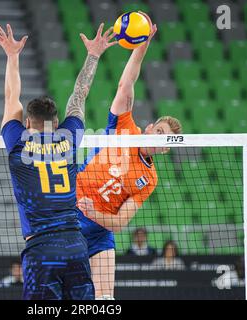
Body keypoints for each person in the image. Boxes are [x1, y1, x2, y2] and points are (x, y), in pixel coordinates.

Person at [0, 23, 116, 300]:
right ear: (57, 122)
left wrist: (12, 56)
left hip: (41, 250)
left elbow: (11, 98)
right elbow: (79, 95)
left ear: (27, 122)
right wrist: (94, 54)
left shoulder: (18, 141)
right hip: (75, 245)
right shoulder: (70, 138)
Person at [76, 12, 182, 299]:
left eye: (165, 139)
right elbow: (126, 85)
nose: (159, 138)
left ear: (166, 149)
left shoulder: (149, 179)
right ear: (149, 128)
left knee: (106, 299)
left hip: (99, 229)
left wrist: (93, 211)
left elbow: (122, 222)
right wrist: (141, 47)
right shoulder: (126, 127)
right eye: (159, 131)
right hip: (69, 213)